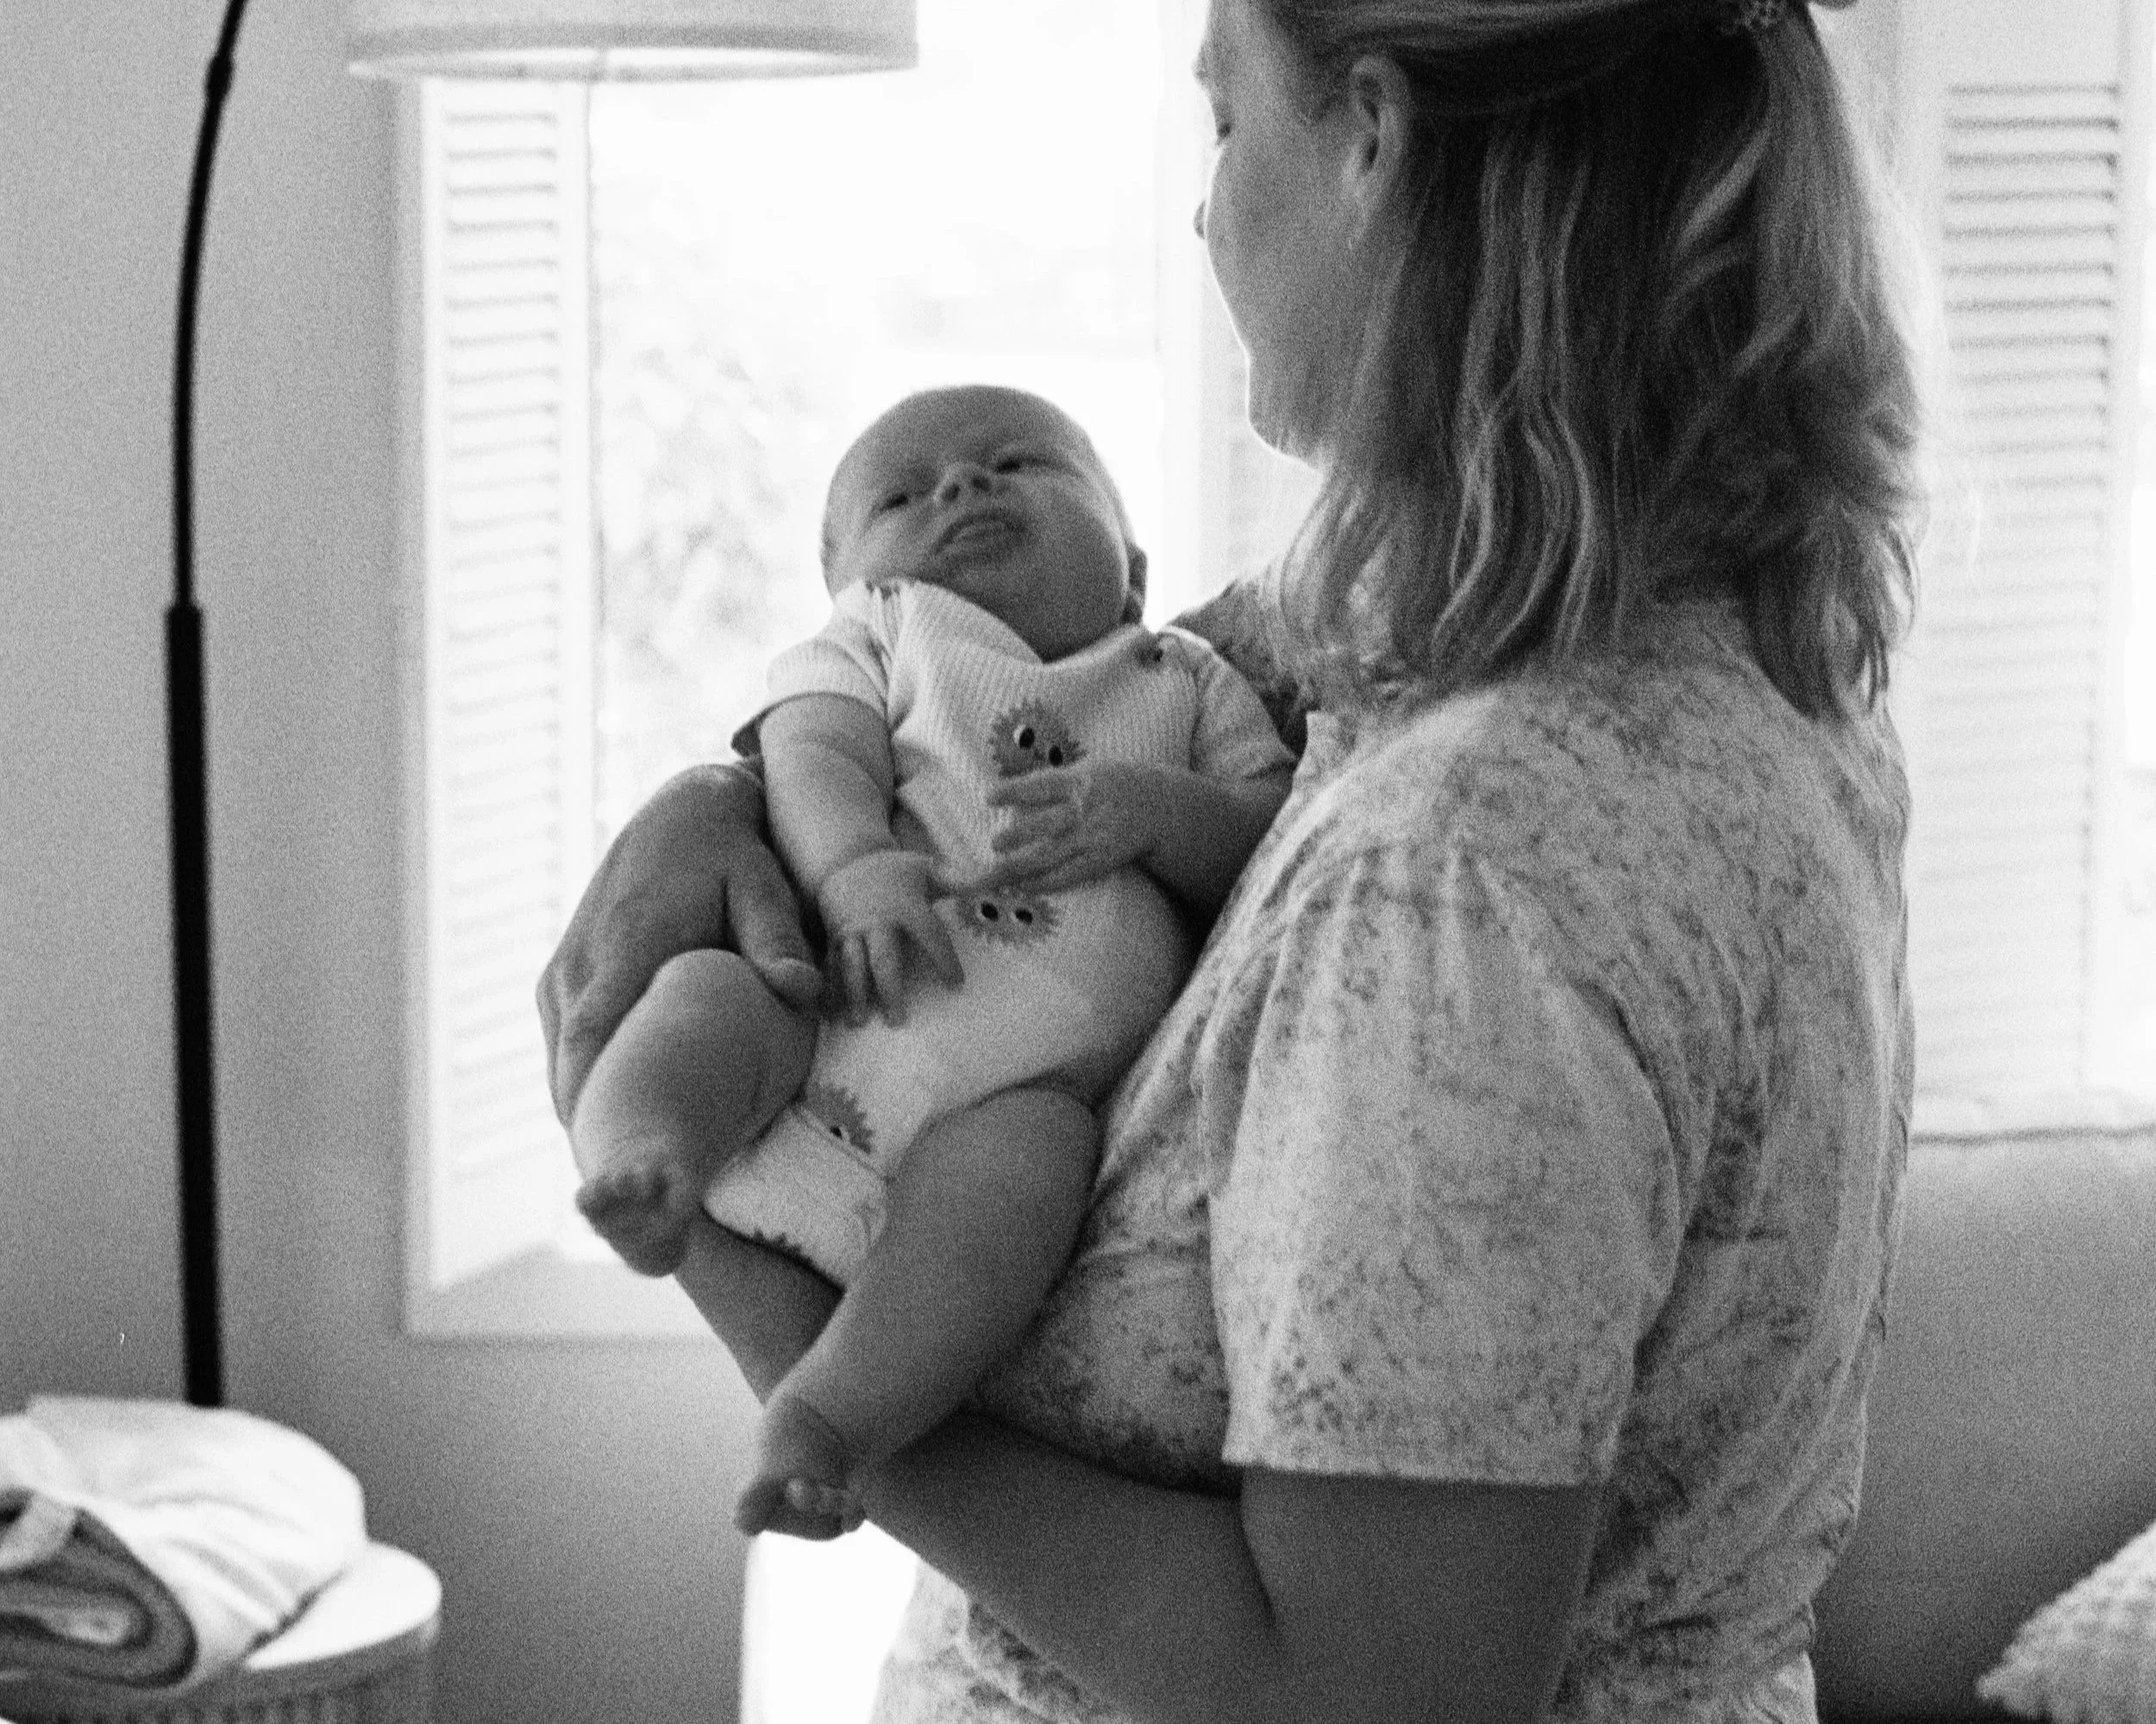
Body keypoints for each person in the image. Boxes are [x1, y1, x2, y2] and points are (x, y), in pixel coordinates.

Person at [539, 0, 1920, 1716]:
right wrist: (724, 799)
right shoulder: (1618, 636)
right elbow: (1003, 704)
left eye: (1221, 126)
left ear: (1367, 144)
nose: (1201, 214)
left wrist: (771, 1333)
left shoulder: (1464, 876)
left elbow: (1355, 1692)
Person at [567, 383, 1294, 1535]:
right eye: (901, 495)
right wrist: (854, 866)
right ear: (852, 579)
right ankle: (642, 1157)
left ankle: (825, 1419)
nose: (961, 486)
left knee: (1031, 1171)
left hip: (1014, 1104)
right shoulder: (885, 627)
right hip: (827, 1008)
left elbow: (1271, 841)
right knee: (709, 994)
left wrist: (1160, 811)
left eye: (1023, 463)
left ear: (1135, 569)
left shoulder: (1185, 677)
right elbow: (815, 751)